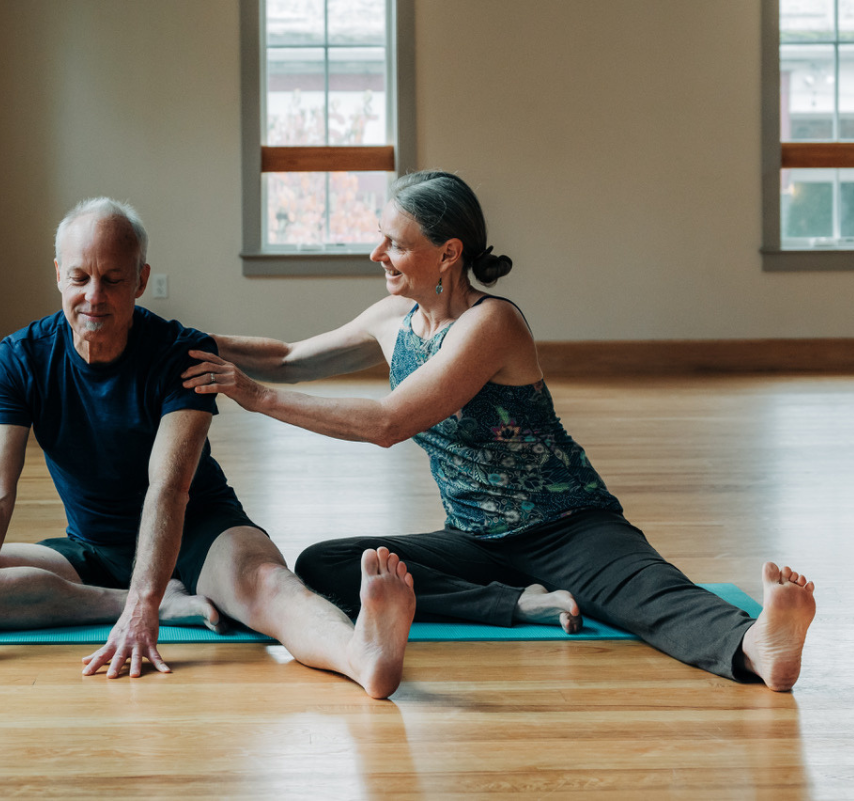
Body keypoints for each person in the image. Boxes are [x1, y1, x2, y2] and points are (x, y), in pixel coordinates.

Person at [182, 171, 817, 691]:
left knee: (649, 596)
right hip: (476, 539)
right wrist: (177, 343)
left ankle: (759, 645)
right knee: (329, 562)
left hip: (567, 527)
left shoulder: (492, 324)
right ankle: (515, 605)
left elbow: (388, 423)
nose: (377, 254)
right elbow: (291, 357)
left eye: (395, 243)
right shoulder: (394, 317)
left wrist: (255, 397)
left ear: (449, 252)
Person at [0, 197, 416, 699]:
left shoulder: (183, 353)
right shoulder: (18, 359)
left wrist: (143, 607)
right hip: (92, 545)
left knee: (267, 587)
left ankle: (360, 654)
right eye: (80, 278)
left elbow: (170, 487)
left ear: (141, 280)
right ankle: (161, 602)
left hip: (199, 531)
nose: (94, 296)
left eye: (112, 279)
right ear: (58, 277)